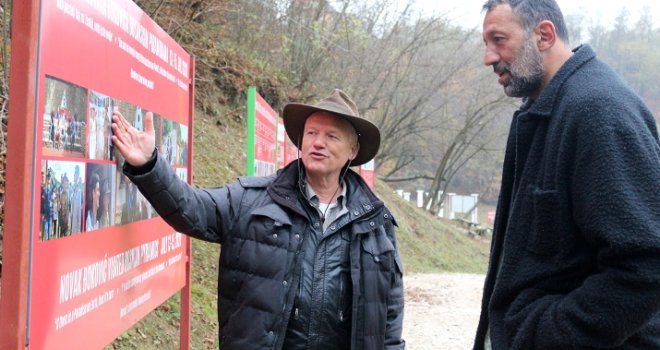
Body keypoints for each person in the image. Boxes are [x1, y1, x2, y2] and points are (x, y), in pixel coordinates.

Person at [111, 89, 405, 350]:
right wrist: (150, 165)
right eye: (312, 133)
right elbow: (192, 210)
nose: (318, 143)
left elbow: (388, 310)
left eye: (331, 136)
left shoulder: (374, 221)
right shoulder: (253, 199)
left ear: (352, 150)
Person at [475, 1, 660, 349]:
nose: (488, 57)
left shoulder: (599, 111)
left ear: (544, 35)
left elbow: (646, 266)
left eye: (499, 40)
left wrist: (545, 334)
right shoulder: (540, 111)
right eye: (485, 43)